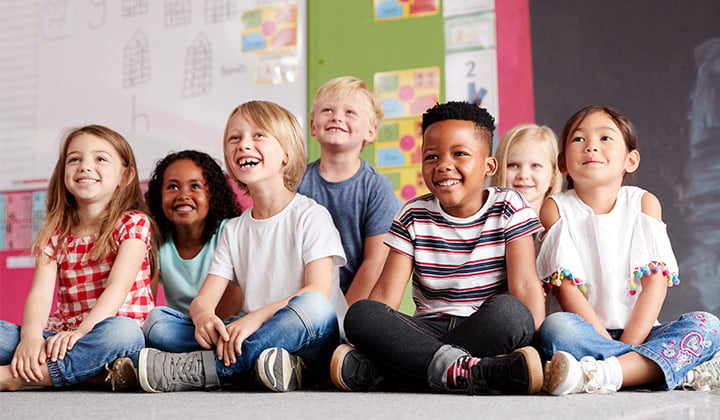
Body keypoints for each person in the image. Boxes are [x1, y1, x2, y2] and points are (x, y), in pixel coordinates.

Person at [329, 101, 546, 395]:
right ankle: (477, 372)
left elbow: (525, 285)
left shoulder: (509, 206)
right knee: (361, 314)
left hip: (485, 327)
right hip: (426, 330)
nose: (444, 165)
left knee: (511, 313)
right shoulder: (412, 215)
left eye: (460, 154)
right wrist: (371, 330)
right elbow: (384, 298)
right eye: (432, 156)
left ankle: (392, 373)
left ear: (488, 166)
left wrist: (538, 348)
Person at [137, 100, 348, 393]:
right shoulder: (234, 229)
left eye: (258, 135)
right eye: (234, 138)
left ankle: (208, 370)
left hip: (309, 339)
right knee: (158, 322)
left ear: (286, 153)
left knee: (314, 307)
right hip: (253, 335)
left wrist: (255, 318)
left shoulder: (311, 215)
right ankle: (259, 367)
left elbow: (318, 292)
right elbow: (203, 301)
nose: (243, 144)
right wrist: (204, 318)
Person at [536, 105, 720, 395]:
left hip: (643, 333)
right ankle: (659, 370)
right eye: (578, 139)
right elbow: (565, 288)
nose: (591, 146)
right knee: (556, 329)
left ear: (630, 160)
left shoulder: (644, 203)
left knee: (708, 326)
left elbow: (656, 283)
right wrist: (620, 350)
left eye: (605, 138)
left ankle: (605, 373)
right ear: (562, 163)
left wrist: (631, 343)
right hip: (586, 335)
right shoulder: (556, 208)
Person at [0, 125, 155, 391]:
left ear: (125, 176)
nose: (85, 166)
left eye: (100, 159)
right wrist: (31, 337)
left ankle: (19, 377)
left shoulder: (133, 223)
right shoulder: (55, 233)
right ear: (63, 173)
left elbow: (118, 286)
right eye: (74, 159)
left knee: (122, 333)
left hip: (109, 335)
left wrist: (83, 332)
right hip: (62, 338)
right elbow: (39, 295)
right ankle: (92, 373)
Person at [298, 76, 399, 305]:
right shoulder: (295, 181)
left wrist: (342, 320)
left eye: (350, 112)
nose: (337, 117)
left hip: (352, 303)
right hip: (303, 299)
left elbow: (374, 262)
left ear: (371, 132)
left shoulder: (376, 187)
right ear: (313, 126)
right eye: (327, 110)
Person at [142, 150, 245, 353]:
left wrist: (207, 326)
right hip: (184, 329)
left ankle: (201, 358)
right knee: (156, 324)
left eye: (195, 186)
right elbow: (147, 300)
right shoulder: (156, 241)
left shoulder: (229, 230)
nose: (183, 196)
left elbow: (233, 301)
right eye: (172, 187)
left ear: (212, 195)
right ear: (158, 195)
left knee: (246, 330)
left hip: (229, 324)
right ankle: (213, 360)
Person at [490, 123, 562, 216]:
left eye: (535, 166)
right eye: (513, 165)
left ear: (553, 174)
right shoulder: (486, 225)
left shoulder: (564, 226)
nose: (523, 175)